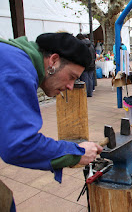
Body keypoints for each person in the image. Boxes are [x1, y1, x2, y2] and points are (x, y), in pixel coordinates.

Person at [0, 33, 103, 211]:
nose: (71, 86)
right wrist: (76, 152)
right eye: (71, 76)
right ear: (53, 61)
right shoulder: (17, 68)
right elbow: (19, 145)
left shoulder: (12, 56)